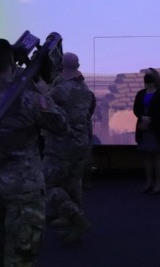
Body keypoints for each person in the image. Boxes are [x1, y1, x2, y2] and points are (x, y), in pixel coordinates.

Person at [0, 39, 68, 267]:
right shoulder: (28, 98)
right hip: (25, 190)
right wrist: (44, 92)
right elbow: (61, 125)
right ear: (12, 61)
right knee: (22, 257)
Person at [42, 52, 95, 243]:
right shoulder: (85, 88)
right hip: (81, 144)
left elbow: (43, 107)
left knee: (46, 184)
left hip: (61, 146)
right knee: (73, 184)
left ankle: (76, 218)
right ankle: (72, 224)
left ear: (61, 67)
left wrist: (40, 89)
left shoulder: (61, 89)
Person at [133, 67, 160, 195]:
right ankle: (149, 182)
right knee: (147, 156)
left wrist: (150, 120)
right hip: (143, 128)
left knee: (157, 155)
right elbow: (136, 108)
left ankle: (158, 183)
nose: (146, 77)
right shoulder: (141, 93)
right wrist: (142, 117)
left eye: (149, 75)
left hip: (157, 128)